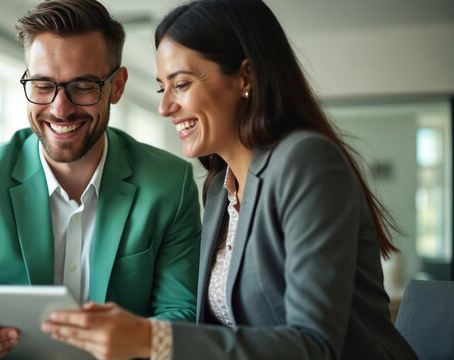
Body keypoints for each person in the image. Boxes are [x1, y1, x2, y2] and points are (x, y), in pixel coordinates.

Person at [41, 0, 419, 359]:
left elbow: (315, 347)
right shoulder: (220, 189)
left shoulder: (305, 160)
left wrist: (149, 338)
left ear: (245, 77)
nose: (164, 107)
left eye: (182, 84)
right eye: (162, 87)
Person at [0, 0, 202, 358]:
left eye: (83, 86)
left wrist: (136, 337)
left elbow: (183, 312)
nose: (60, 108)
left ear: (117, 86)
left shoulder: (169, 183)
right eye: (42, 85)